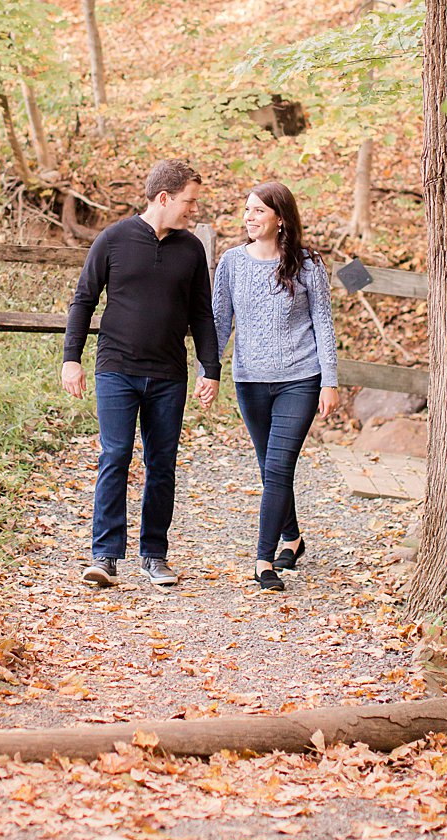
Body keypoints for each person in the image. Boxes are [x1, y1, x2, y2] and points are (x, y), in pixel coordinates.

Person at [62, 159, 220, 590]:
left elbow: (202, 315)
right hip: (117, 369)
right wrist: (71, 358)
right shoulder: (112, 240)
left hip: (168, 374)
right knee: (114, 456)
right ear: (164, 198)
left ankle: (154, 555)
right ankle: (105, 555)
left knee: (161, 464)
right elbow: (83, 300)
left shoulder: (191, 249)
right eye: (189, 201)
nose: (194, 210)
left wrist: (212, 369)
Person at [211, 181, 338, 592]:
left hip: (300, 379)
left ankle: (264, 559)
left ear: (280, 218)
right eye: (247, 210)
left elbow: (323, 322)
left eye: (259, 211)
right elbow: (219, 323)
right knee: (272, 471)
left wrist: (330, 382)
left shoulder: (307, 263)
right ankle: (294, 539)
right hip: (250, 381)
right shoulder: (231, 262)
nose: (249, 217)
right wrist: (207, 371)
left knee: (279, 467)